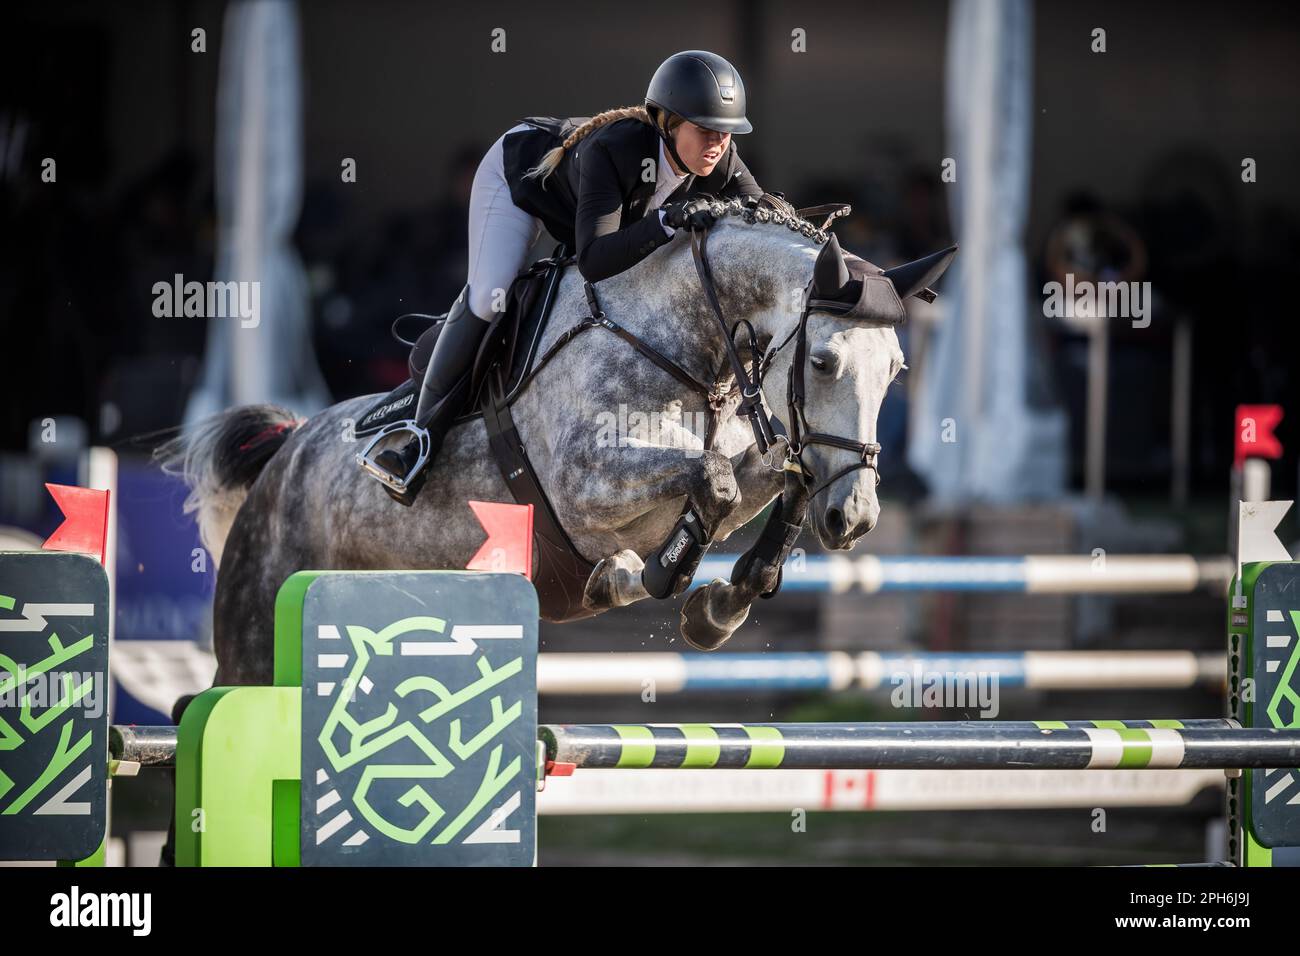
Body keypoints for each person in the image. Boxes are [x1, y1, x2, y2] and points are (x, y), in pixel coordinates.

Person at [364, 50, 764, 505]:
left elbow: (763, 210)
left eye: (727, 133)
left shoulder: (722, 159)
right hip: (517, 182)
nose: (718, 143)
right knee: (491, 296)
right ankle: (419, 437)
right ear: (667, 122)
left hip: (580, 211)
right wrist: (666, 221)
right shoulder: (617, 149)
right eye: (706, 130)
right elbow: (593, 260)